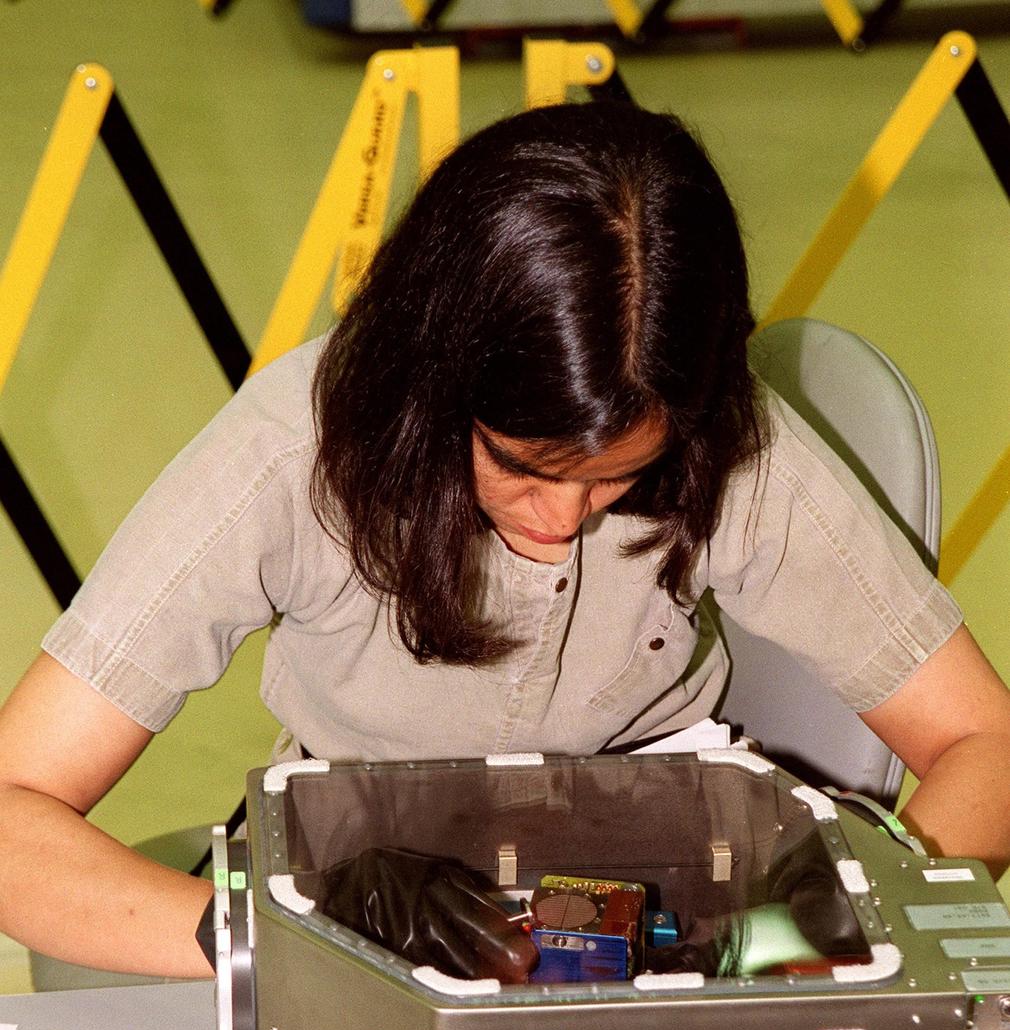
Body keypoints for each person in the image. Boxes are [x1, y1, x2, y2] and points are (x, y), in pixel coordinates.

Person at [1, 101, 1009, 982]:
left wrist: (837, 917)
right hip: (358, 879)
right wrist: (267, 931)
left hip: (660, 904)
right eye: (521, 466)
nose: (561, 521)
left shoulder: (721, 436)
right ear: (435, 378)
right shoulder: (292, 452)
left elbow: (987, 742)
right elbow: (13, 811)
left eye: (617, 476)